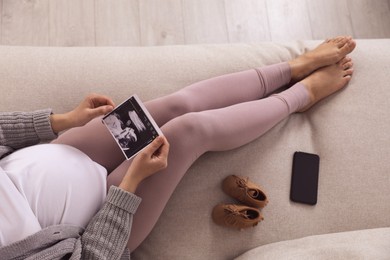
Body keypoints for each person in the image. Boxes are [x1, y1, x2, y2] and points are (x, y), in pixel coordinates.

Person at [0, 36, 356, 259]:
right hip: (103, 217)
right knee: (189, 129)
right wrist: (130, 185)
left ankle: (291, 68)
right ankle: (300, 96)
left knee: (176, 106)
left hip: (67, 151)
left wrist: (63, 121)